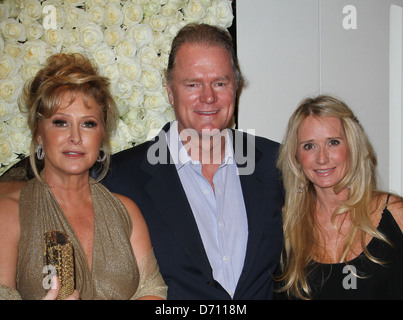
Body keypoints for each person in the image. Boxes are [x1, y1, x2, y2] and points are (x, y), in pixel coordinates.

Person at [102, 23, 284, 300]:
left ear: (236, 87)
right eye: (192, 84)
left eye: (220, 83)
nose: (208, 97)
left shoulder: (277, 164)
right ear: (170, 91)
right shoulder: (120, 178)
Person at [0, 53, 167, 300]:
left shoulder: (126, 211)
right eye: (60, 122)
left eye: (88, 123)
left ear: (102, 136)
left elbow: (153, 290)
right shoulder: (9, 212)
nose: (75, 137)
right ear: (38, 133)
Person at [275, 95, 403, 299]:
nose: (322, 158)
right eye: (309, 146)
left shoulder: (395, 215)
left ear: (352, 147)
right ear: (296, 158)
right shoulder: (283, 227)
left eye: (333, 142)